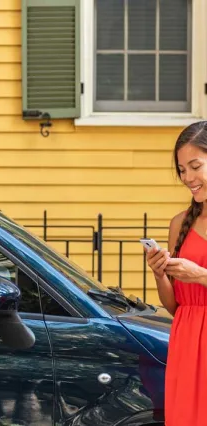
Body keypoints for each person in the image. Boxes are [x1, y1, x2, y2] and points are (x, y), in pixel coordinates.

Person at [145, 121, 207, 426]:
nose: (187, 178)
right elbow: (176, 307)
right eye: (182, 169)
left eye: (195, 166)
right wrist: (160, 274)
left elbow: (198, 278)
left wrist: (200, 275)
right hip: (187, 345)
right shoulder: (178, 224)